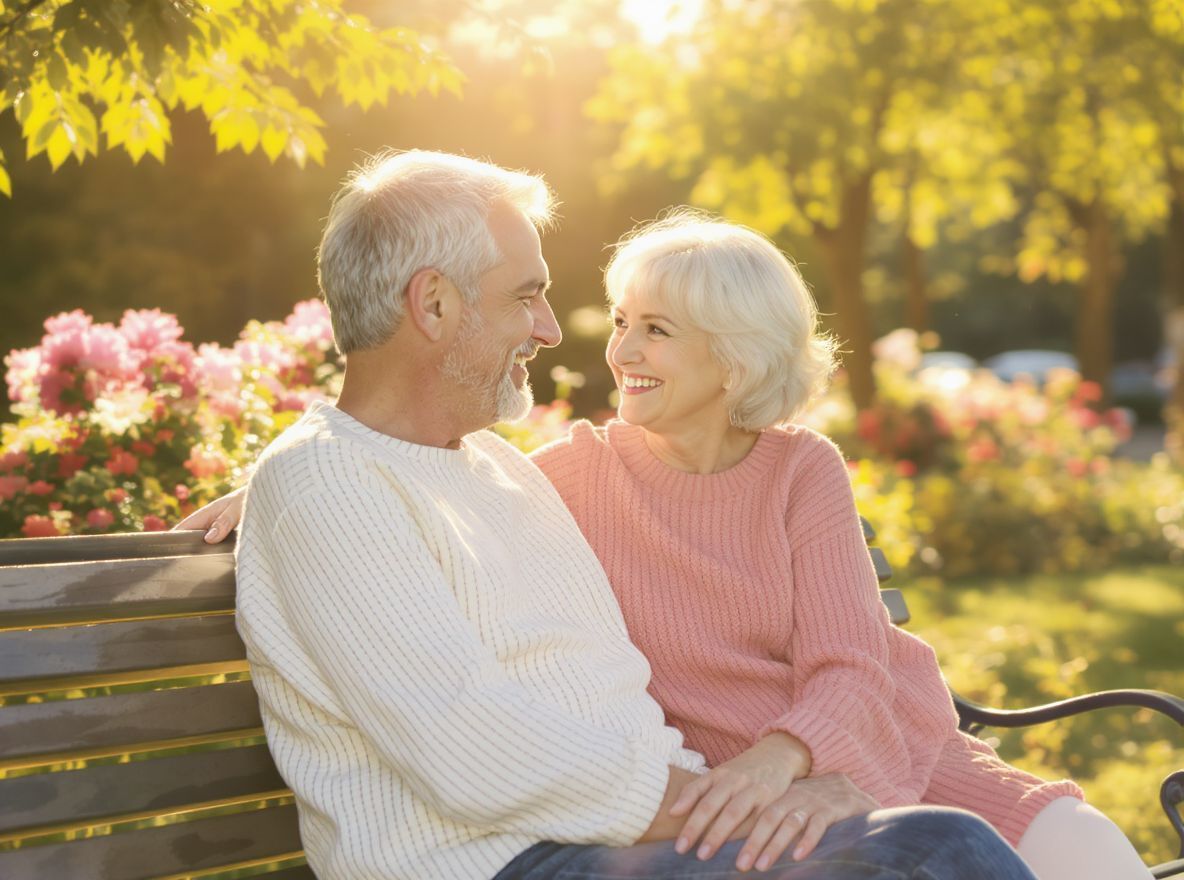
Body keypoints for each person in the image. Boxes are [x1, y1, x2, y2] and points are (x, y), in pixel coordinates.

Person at [185, 149, 1045, 880]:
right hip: (512, 863)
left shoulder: (490, 469)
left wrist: (774, 792)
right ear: (435, 305)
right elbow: (475, 751)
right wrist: (735, 803)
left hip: (621, 841)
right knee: (934, 855)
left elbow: (380, 474)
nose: (553, 329)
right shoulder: (328, 487)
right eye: (526, 296)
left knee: (922, 847)